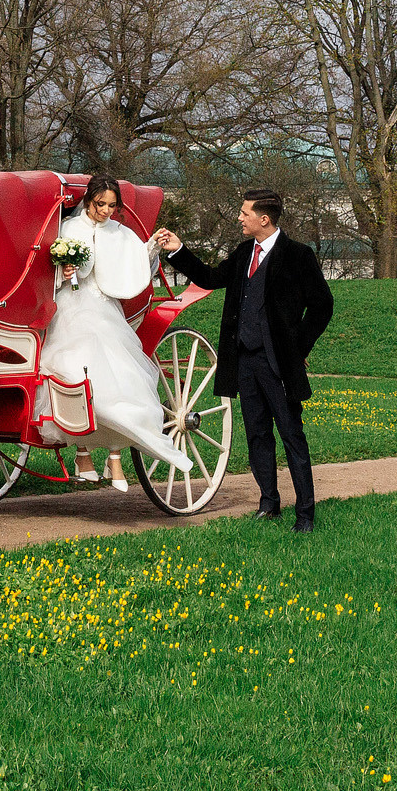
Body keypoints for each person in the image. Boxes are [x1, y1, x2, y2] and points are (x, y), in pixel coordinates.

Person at [152, 189, 334, 530]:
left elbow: (323, 305)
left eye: (244, 212)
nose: (239, 217)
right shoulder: (243, 252)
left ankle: (305, 515)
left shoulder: (299, 255)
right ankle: (269, 503)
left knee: (292, 435)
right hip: (245, 362)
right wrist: (176, 249)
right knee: (257, 435)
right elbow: (209, 277)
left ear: (263, 219)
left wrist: (298, 348)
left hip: (279, 364)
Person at [37, 177, 193, 485]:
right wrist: (63, 271)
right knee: (74, 368)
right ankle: (82, 454)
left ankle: (115, 455)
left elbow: (134, 267)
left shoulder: (122, 234)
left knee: (119, 376)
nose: (106, 211)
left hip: (105, 309)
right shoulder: (68, 229)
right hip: (70, 306)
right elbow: (46, 269)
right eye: (100, 204)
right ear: (88, 200)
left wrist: (151, 248)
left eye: (112, 205)